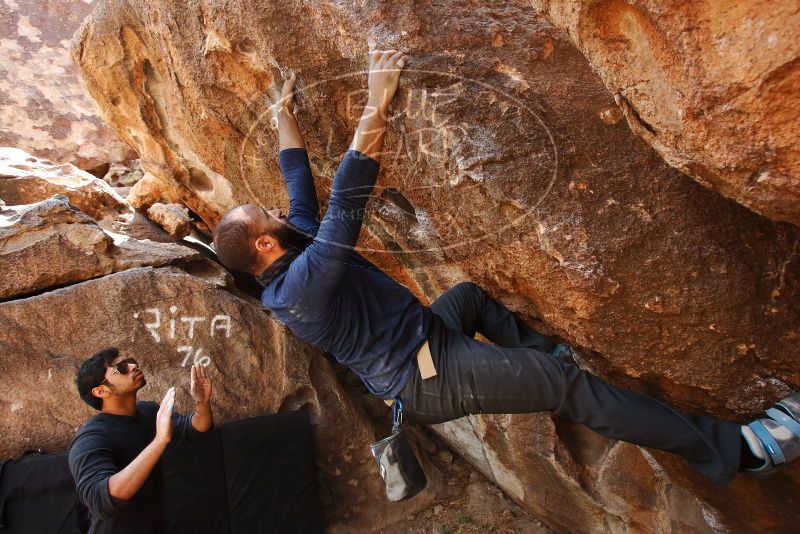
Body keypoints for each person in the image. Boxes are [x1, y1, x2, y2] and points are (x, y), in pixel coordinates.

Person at [212, 49, 800, 484]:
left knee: (467, 296)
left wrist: (281, 111)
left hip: (425, 334)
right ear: (264, 248)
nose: (277, 211)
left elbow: (296, 176)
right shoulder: (298, 292)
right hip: (425, 378)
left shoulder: (293, 245)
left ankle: (540, 357)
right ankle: (744, 450)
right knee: (562, 389)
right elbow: (344, 201)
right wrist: (376, 102)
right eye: (264, 216)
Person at [68, 347, 213, 533]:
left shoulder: (148, 412)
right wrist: (159, 441)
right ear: (101, 391)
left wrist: (202, 403)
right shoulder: (90, 439)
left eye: (129, 360)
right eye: (120, 367)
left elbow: (196, 428)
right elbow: (102, 498)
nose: (133, 366)